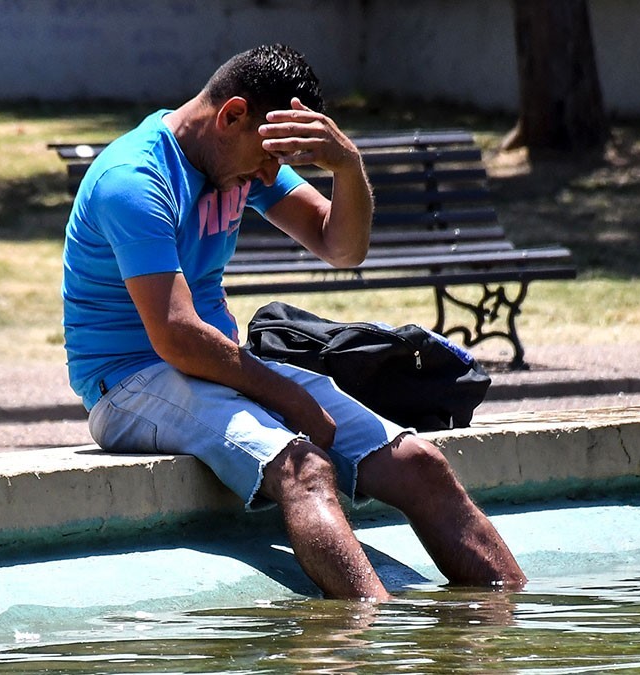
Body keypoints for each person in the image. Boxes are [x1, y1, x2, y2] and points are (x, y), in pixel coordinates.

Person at [61, 44, 525, 600]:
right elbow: (175, 334)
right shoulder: (133, 179)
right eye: (268, 157)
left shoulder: (242, 159)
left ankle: (511, 622)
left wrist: (347, 166)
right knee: (304, 467)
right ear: (231, 115)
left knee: (420, 464)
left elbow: (341, 246)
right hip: (130, 384)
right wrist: (292, 399)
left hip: (214, 370)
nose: (270, 172)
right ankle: (369, 641)